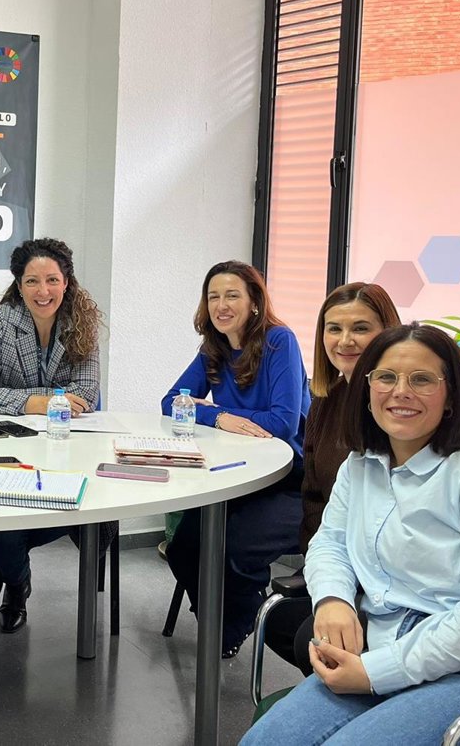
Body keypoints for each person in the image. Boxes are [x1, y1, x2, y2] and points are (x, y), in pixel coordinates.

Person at [242, 324, 460, 745]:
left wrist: (375, 672)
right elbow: (330, 543)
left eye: (422, 380)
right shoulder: (361, 464)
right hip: (388, 639)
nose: (401, 391)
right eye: (386, 377)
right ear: (367, 389)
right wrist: (332, 599)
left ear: (452, 396)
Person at [161, 260, 309, 658]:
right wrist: (216, 416)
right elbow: (170, 402)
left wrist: (214, 410)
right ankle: (221, 620)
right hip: (240, 474)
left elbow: (282, 422)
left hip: (290, 478)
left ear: (254, 302)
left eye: (232, 295)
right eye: (213, 297)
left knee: (235, 548)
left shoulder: (279, 342)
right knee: (183, 547)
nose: (221, 305)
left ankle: (233, 627)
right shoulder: (215, 348)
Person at [0, 237, 102, 633]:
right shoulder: (5, 320)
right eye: (32, 281)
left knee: (76, 501)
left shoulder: (82, 321)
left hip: (64, 450)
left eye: (52, 280)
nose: (43, 291)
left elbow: (87, 394)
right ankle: (18, 582)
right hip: (7, 446)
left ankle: (3, 564)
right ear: (19, 286)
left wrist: (26, 398)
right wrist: (38, 401)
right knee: (1, 506)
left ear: (66, 282)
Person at [263, 283, 400, 674]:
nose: (345, 340)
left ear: (388, 331)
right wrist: (323, 572)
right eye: (334, 328)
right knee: (279, 621)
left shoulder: (397, 406)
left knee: (310, 636)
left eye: (361, 328)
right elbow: (314, 495)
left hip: (386, 574)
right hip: (336, 559)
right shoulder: (327, 397)